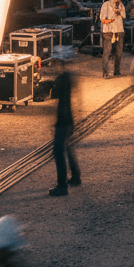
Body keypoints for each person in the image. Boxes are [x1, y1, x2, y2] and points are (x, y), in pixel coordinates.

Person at [47, 64, 80, 197]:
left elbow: (56, 96)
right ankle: (75, 176)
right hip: (67, 120)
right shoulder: (68, 77)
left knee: (58, 152)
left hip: (63, 121)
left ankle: (62, 186)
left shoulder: (62, 79)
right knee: (67, 148)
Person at [99, 0, 126, 78]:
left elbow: (124, 16)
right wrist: (110, 20)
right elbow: (102, 19)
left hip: (119, 30)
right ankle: (105, 72)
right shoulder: (106, 5)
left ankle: (117, 71)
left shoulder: (121, 5)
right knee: (107, 52)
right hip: (109, 31)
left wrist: (119, 12)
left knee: (119, 52)